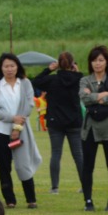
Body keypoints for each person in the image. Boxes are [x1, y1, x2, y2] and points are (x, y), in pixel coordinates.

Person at [0, 53, 41, 209]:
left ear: (17, 67)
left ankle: (31, 199)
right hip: (0, 131)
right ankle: (10, 200)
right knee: (4, 166)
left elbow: (28, 106)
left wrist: (17, 126)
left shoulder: (25, 83)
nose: (9, 69)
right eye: (6, 66)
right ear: (1, 68)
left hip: (21, 131)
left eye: (12, 66)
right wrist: (12, 118)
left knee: (24, 164)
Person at [31, 53, 84, 195]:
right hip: (74, 121)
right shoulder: (79, 79)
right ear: (72, 64)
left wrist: (49, 69)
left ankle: (55, 187)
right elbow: (86, 84)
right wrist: (77, 72)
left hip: (55, 121)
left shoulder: (52, 80)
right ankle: (85, 184)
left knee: (56, 153)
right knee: (78, 154)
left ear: (59, 64)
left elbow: (36, 81)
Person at [79, 45, 108, 212]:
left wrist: (94, 97)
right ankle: (88, 200)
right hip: (90, 127)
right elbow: (83, 98)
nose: (97, 63)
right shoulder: (85, 80)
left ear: (106, 62)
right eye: (94, 60)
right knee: (88, 165)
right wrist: (103, 95)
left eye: (101, 60)